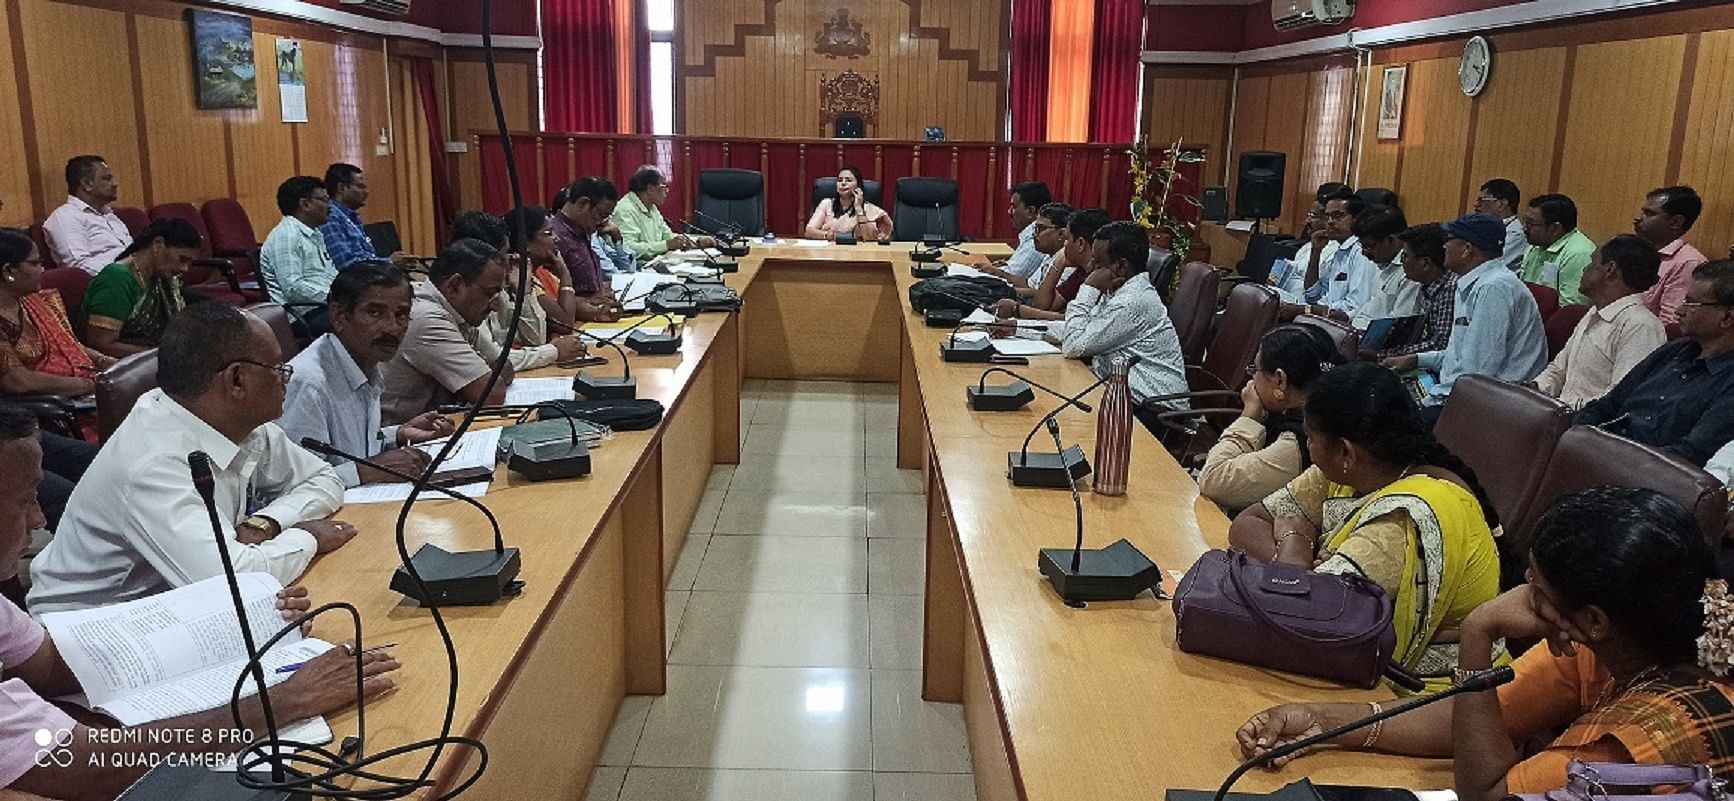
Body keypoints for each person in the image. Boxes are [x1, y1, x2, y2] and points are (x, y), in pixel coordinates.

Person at [0, 404, 398, 801]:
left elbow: (49, 663)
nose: (39, 520)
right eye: (24, 500)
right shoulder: (150, 459)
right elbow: (86, 766)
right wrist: (287, 701)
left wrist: (235, 623)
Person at [1236, 487, 1734, 799]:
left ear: (1594, 619)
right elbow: (1473, 719)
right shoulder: (1622, 639)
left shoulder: (1640, 745)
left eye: (1535, 585)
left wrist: (1478, 633)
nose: (1522, 591)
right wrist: (1321, 722)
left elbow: (1488, 793)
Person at [27, 303, 355, 614]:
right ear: (237, 379)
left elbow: (323, 480)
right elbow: (233, 583)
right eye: (278, 368)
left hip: (171, 599)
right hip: (91, 627)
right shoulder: (153, 461)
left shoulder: (237, 422)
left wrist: (265, 523)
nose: (286, 378)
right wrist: (308, 536)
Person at [1227, 362, 1504, 688]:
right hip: (1349, 662)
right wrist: (1300, 561)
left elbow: (1300, 613)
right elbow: (1247, 524)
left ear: (1344, 450)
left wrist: (1293, 544)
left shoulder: (1403, 517)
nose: (1309, 449)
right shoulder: (1351, 469)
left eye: (1310, 438)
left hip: (1429, 696)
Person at [279, 264, 455, 488]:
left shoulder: (366, 363)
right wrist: (367, 471)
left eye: (401, 315)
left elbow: (348, 450)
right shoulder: (308, 383)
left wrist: (398, 435)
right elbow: (290, 486)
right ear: (339, 316)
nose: (392, 328)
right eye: (375, 313)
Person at [1383, 213, 1547, 425]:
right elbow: (1463, 355)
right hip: (1465, 393)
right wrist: (1417, 359)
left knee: (1388, 421)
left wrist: (1430, 402)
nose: (1443, 247)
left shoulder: (1493, 288)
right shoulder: (1473, 282)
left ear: (1467, 249)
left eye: (1449, 240)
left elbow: (1478, 372)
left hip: (1489, 406)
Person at [1574, 260, 1734, 467]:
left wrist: (1609, 458)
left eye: (1690, 303)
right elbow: (1609, 404)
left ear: (1727, 317)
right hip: (1600, 451)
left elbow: (1690, 455)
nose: (1679, 311)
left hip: (1646, 478)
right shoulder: (1674, 351)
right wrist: (1574, 434)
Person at [1059, 221, 1189, 429]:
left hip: (1156, 413)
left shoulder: (1132, 301)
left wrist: (1088, 288)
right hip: (1127, 398)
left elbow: (1073, 346)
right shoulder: (1119, 288)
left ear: (1121, 266)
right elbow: (1081, 329)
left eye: (1098, 263)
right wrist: (1020, 328)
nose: (1091, 268)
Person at [1198, 325, 1342, 513]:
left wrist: (1249, 416)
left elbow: (1213, 480)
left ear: (1279, 380)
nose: (1251, 380)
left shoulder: (1299, 441)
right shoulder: (1319, 412)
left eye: (1255, 369)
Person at [380, 238, 516, 425]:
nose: (495, 305)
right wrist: (479, 379)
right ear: (454, 286)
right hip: (398, 441)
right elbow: (492, 395)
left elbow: (505, 365)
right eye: (490, 293)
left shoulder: (455, 311)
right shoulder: (427, 317)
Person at [1533, 235, 1667, 409]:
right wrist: (1532, 390)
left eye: (1591, 263)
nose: (1584, 269)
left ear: (1610, 270)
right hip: (1559, 416)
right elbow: (1557, 371)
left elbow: (1619, 400)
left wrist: (1561, 413)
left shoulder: (1640, 326)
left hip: (1586, 427)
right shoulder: (1595, 311)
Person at [452, 210, 586, 372]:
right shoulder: (463, 294)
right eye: (502, 257)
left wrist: (524, 293)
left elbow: (535, 340)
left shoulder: (508, 280)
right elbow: (493, 359)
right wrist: (554, 351)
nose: (508, 260)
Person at [0, 228, 113, 399]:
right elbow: (18, 381)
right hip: (40, 410)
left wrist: (105, 361)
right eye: (35, 263)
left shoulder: (34, 301)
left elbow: (69, 345)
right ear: (9, 271)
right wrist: (91, 384)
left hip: (77, 392)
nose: (42, 270)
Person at [81, 217, 200, 357]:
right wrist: (162, 356)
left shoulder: (162, 278)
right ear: (158, 244)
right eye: (182, 259)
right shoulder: (117, 279)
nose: (185, 268)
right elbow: (101, 345)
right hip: (120, 367)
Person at [504, 205, 622, 332]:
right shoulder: (519, 277)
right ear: (525, 243)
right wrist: (565, 274)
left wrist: (595, 308)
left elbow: (562, 303)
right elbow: (565, 322)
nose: (557, 238)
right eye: (549, 233)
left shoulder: (540, 271)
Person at [260, 176, 338, 334]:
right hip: (304, 315)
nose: (330, 207)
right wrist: (337, 297)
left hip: (325, 306)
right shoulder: (286, 236)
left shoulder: (314, 233)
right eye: (324, 200)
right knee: (369, 322)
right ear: (305, 204)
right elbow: (294, 289)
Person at [1366, 224, 1456, 360]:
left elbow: (1439, 344)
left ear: (1425, 263)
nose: (1402, 262)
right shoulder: (1426, 284)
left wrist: (1383, 355)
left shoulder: (1449, 290)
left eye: (1405, 257)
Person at [41, 155, 132, 275]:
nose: (115, 184)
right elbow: (79, 267)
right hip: (107, 284)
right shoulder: (65, 216)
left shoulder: (109, 214)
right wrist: (130, 268)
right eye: (106, 179)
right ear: (86, 184)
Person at [1633, 185, 1707, 327]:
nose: (1638, 218)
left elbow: (1671, 326)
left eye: (1649, 214)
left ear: (1675, 222)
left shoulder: (1688, 263)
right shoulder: (1637, 252)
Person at [1297, 191, 1377, 321]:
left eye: (1337, 216)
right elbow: (1312, 296)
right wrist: (1315, 252)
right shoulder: (1338, 250)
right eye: (1327, 217)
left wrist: (1309, 310)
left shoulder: (1362, 251)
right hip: (1327, 319)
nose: (1330, 222)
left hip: (1346, 325)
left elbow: (1355, 306)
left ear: (1357, 219)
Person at [319, 163, 413, 271]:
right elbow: (345, 265)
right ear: (342, 188)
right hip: (354, 283)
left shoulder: (352, 217)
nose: (366, 192)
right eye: (360, 186)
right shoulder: (330, 217)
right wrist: (389, 262)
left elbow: (366, 257)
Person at [612, 165, 711, 262]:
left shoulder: (651, 207)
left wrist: (697, 242)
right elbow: (628, 248)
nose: (667, 191)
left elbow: (668, 236)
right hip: (638, 269)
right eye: (664, 186)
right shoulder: (625, 210)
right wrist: (666, 245)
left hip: (657, 264)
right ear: (650, 188)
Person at [549, 177, 620, 305]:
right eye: (602, 215)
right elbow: (550, 297)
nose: (604, 222)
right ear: (583, 203)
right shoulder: (554, 237)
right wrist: (590, 301)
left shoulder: (584, 232)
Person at [1346, 205, 1416, 331]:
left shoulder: (1411, 272)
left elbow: (1399, 325)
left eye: (1368, 246)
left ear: (1391, 240)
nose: (1364, 253)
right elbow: (1374, 307)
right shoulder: (1382, 263)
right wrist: (1347, 317)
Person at [1519, 193, 1596, 305]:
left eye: (1531, 223)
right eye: (1525, 221)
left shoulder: (1578, 253)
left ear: (1555, 228)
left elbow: (1570, 309)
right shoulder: (1535, 245)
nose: (1524, 228)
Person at [978, 202, 1071, 288]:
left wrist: (1012, 299)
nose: (1035, 234)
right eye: (1035, 229)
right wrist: (999, 273)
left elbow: (1040, 298)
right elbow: (1029, 284)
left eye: (1041, 229)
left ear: (1061, 234)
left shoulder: (1067, 264)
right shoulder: (1048, 256)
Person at [1270, 199, 1340, 307]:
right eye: (1309, 215)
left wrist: (1315, 253)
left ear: (1327, 219)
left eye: (1313, 216)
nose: (1307, 221)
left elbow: (1315, 295)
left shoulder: (1336, 251)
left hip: (1303, 307)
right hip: (1285, 298)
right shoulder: (1306, 247)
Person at [804, 165, 892, 242]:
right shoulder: (826, 204)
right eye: (840, 180)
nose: (843, 183)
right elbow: (809, 231)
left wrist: (859, 209)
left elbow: (868, 238)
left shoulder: (868, 209)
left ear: (858, 186)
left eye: (848, 180)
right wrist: (830, 236)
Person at [994, 181, 1053, 281]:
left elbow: (1012, 276)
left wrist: (992, 270)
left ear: (1030, 211)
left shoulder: (1037, 240)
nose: (1009, 211)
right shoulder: (1028, 235)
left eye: (1014, 207)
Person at [1474, 178, 1526, 271]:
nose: (1476, 204)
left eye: (1482, 200)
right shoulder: (1484, 227)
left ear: (1501, 204)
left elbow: (1486, 265)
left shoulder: (1516, 235)